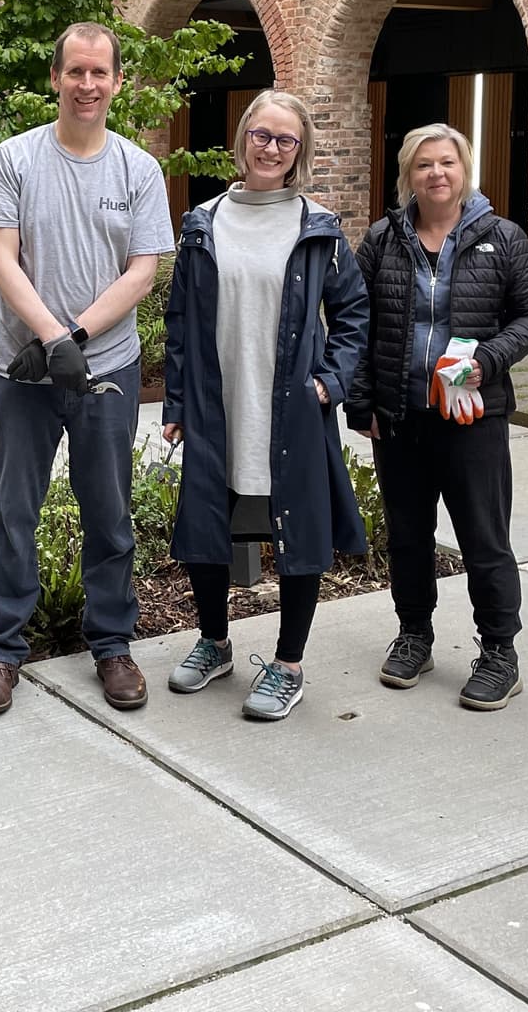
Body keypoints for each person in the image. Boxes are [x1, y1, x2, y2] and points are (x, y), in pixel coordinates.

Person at [0, 22, 174, 717]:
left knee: (109, 512)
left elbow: (142, 273)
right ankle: (2, 647)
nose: (88, 85)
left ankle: (112, 643)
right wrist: (49, 337)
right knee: (13, 510)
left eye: (100, 73)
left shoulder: (138, 170)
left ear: (118, 82)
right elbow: (1, 256)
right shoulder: (16, 158)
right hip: (21, 369)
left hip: (106, 370)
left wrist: (74, 338)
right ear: (55, 78)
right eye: (76, 72)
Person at [160, 90, 370, 721]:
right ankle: (215, 643)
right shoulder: (204, 222)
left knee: (298, 530)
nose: (271, 148)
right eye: (262, 134)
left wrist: (329, 383)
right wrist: (175, 401)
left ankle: (288, 665)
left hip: (292, 405)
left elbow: (355, 315)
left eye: (286, 139)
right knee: (207, 525)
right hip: (214, 399)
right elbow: (179, 321)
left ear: (299, 150)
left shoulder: (319, 228)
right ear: (243, 136)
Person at [344, 122, 528, 711]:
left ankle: (500, 653)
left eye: (448, 163)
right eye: (424, 164)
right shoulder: (383, 241)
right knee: (408, 536)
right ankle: (414, 635)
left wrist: (488, 358)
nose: (437, 173)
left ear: (465, 171)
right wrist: (363, 402)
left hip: (473, 419)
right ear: (408, 175)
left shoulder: (503, 238)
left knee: (485, 537)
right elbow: (358, 324)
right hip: (399, 417)